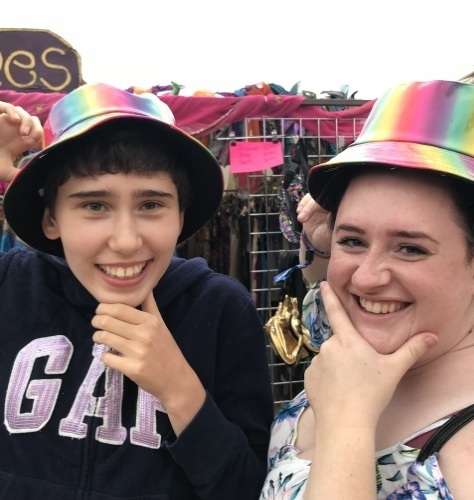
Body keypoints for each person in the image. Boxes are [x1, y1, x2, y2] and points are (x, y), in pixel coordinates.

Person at [0, 82, 274, 499]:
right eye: (94, 206)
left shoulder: (221, 309)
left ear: (180, 216)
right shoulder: (10, 286)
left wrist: (179, 388)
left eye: (151, 205)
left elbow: (246, 487)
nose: (126, 242)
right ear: (51, 219)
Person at [260, 79, 474, 499]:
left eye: (410, 248)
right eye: (353, 240)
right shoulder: (349, 340)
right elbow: (322, 297)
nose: (367, 278)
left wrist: (347, 421)